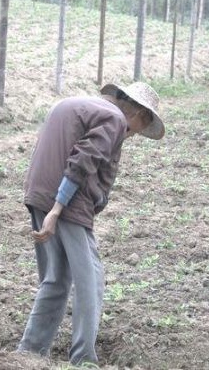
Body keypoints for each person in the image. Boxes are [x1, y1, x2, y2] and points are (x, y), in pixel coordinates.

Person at [18, 82, 165, 366]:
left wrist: (49, 206)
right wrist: (58, 209)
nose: (132, 135)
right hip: (66, 202)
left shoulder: (79, 105)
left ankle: (29, 354)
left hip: (37, 191)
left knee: (56, 278)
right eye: (137, 128)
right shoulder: (114, 119)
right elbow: (83, 160)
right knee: (91, 280)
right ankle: (83, 357)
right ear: (138, 115)